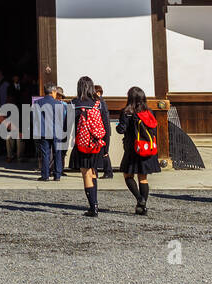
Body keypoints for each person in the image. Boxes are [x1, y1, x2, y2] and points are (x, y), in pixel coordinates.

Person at [116, 86, 161, 215]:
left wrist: (119, 126)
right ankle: (142, 207)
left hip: (133, 149)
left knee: (127, 175)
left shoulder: (127, 112)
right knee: (143, 178)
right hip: (147, 148)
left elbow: (121, 130)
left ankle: (139, 199)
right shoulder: (150, 112)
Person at [69, 76, 110, 216]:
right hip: (97, 143)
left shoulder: (74, 103)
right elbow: (106, 125)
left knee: (86, 173)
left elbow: (68, 125)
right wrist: (106, 148)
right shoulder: (99, 103)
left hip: (82, 143)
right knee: (93, 172)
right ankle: (95, 202)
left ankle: (93, 207)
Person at [32, 86, 67, 181]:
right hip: (57, 131)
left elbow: (34, 118)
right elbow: (62, 119)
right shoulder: (59, 104)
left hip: (43, 132)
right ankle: (57, 175)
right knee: (57, 153)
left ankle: (45, 175)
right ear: (53, 92)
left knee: (45, 154)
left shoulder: (37, 103)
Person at [93, 84, 114, 178]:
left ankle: (105, 172)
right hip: (104, 129)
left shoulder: (100, 103)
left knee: (103, 151)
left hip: (102, 130)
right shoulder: (102, 102)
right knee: (104, 151)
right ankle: (107, 172)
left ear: (98, 93)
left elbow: (104, 118)